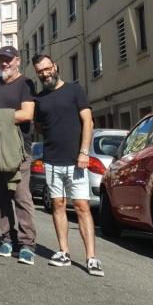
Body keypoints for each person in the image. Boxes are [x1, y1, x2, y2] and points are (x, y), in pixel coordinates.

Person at [31, 54, 104, 277]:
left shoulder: (75, 91)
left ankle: (91, 257)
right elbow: (40, 127)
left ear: (55, 66)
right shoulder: (39, 99)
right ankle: (64, 252)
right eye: (40, 72)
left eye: (46, 69)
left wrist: (83, 152)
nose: (45, 74)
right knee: (58, 205)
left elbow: (88, 122)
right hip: (51, 160)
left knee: (82, 206)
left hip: (76, 161)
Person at [0, 46, 37, 265]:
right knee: (0, 198)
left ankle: (27, 244)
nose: (4, 63)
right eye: (1, 59)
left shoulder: (25, 84)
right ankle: (7, 239)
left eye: (8, 59)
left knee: (21, 197)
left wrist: (0, 117)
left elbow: (27, 114)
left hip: (18, 151)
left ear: (17, 61)